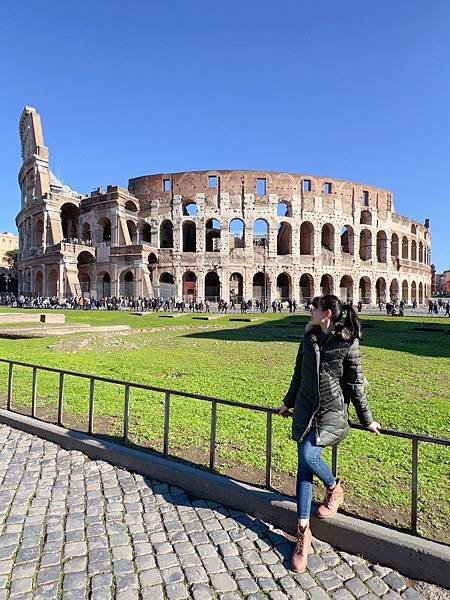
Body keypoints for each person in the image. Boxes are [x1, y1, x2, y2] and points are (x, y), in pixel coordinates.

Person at [278, 294, 380, 573]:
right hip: (305, 410)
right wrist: (288, 403)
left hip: (333, 415)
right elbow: (298, 374)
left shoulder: (348, 344)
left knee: (307, 455)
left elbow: (357, 385)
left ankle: (335, 488)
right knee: (303, 464)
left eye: (314, 308)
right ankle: (303, 532)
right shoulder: (308, 338)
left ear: (327, 315)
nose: (309, 311)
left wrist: (367, 420)